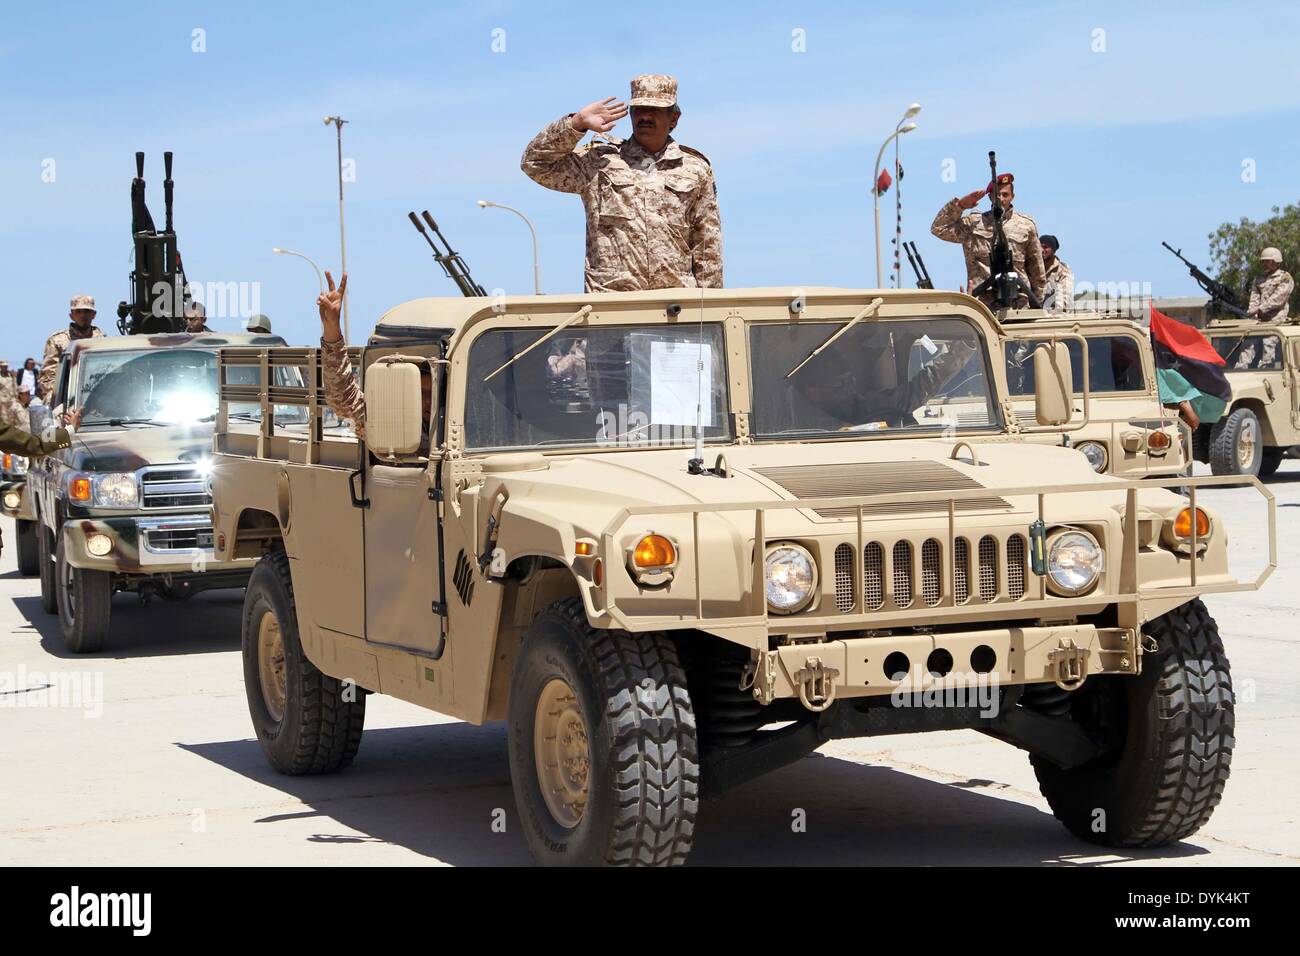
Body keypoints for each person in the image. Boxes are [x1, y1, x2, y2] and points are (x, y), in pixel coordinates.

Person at [521, 73, 723, 292]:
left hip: (675, 308)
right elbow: (535, 163)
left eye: (654, 110)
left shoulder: (694, 169)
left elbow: (707, 247)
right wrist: (576, 124)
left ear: (674, 118)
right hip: (612, 309)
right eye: (639, 109)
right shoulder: (599, 162)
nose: (645, 116)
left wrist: (710, 311)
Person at [317, 272, 432, 444]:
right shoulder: (392, 424)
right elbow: (343, 398)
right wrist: (332, 327)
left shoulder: (460, 420)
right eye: (422, 393)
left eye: (432, 392)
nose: (428, 400)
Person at [931, 171, 1045, 309]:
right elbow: (939, 228)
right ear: (990, 197)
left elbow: (1036, 271)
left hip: (1020, 304)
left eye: (1005, 195)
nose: (1001, 199)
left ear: (1012, 197)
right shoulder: (973, 224)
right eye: (997, 195)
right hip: (982, 305)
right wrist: (960, 206)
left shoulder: (1026, 226)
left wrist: (1037, 307)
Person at [39, 294, 104, 402]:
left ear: (94, 314)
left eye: (87, 311)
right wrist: (55, 400)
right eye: (78, 312)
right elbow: (48, 376)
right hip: (66, 399)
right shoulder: (57, 341)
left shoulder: (103, 341)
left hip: (97, 399)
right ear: (71, 315)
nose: (83, 315)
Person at [1247, 247, 1293, 322]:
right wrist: (1252, 314)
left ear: (1276, 261)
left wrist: (1260, 309)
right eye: (1263, 261)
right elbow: (1254, 299)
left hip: (1278, 321)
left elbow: (1278, 298)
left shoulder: (1285, 277)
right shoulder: (1258, 279)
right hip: (1259, 321)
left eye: (1267, 261)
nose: (1264, 264)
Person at [1039, 235, 1074, 313]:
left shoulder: (1063, 271)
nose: (1041, 250)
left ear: (1053, 251)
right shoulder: (1032, 268)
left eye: (1045, 247)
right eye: (1039, 247)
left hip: (1055, 314)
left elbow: (1065, 299)